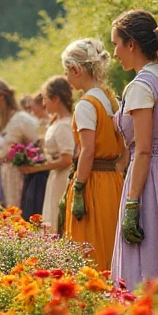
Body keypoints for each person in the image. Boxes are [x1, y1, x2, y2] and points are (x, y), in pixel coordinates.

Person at [109, 9, 158, 290]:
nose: (115, 53)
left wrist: (132, 203)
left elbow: (143, 150)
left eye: (116, 44)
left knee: (152, 254)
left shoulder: (141, 86)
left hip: (151, 177)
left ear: (131, 44)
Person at [61, 38, 125, 272]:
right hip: (112, 180)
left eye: (67, 71)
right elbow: (125, 145)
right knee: (110, 239)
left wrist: (79, 187)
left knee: (91, 242)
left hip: (93, 181)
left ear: (76, 69)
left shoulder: (86, 105)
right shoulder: (112, 100)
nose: (67, 78)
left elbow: (87, 151)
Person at [0, 78, 39, 209]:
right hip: (4, 172)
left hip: (18, 174)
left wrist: (23, 156)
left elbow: (37, 142)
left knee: (19, 209)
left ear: (0, 98)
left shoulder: (21, 119)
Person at [29, 76, 75, 232]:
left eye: (45, 99)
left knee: (58, 218)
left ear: (55, 99)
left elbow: (66, 159)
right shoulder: (57, 121)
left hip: (62, 177)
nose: (43, 104)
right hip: (55, 177)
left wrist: (36, 168)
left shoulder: (64, 125)